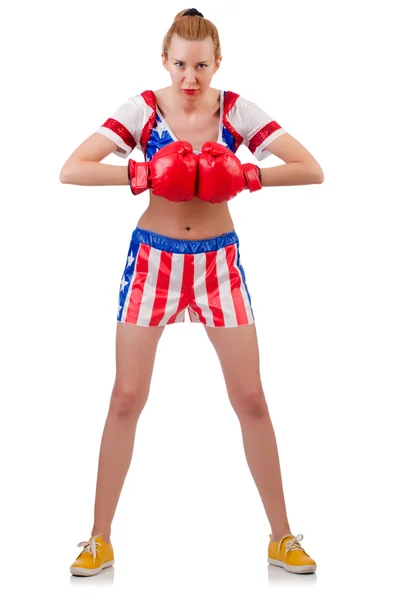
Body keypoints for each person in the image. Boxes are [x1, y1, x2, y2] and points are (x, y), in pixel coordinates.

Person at [61, 8, 324, 577]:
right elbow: (72, 168)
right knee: (126, 396)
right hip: (153, 262)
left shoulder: (236, 110)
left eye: (201, 65)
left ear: (217, 62)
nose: (190, 77)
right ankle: (97, 539)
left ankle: (282, 537)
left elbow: (311, 168)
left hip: (219, 265)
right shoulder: (144, 108)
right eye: (180, 64)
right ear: (165, 59)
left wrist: (249, 174)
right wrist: (144, 174)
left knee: (251, 397)